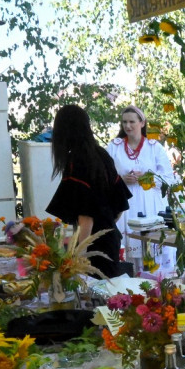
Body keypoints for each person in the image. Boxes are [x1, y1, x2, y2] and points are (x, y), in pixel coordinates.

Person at [46, 104, 132, 278]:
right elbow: (120, 206)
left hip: (94, 249)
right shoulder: (101, 154)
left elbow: (86, 217)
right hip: (111, 240)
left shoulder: (76, 162)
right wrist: (106, 223)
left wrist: (78, 257)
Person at [106, 106, 175, 256]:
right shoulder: (114, 147)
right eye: (124, 122)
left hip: (151, 205)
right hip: (125, 207)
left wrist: (148, 178)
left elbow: (170, 181)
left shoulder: (155, 148)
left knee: (153, 251)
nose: (127, 126)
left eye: (132, 121)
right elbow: (103, 177)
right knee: (127, 250)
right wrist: (121, 180)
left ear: (142, 123)